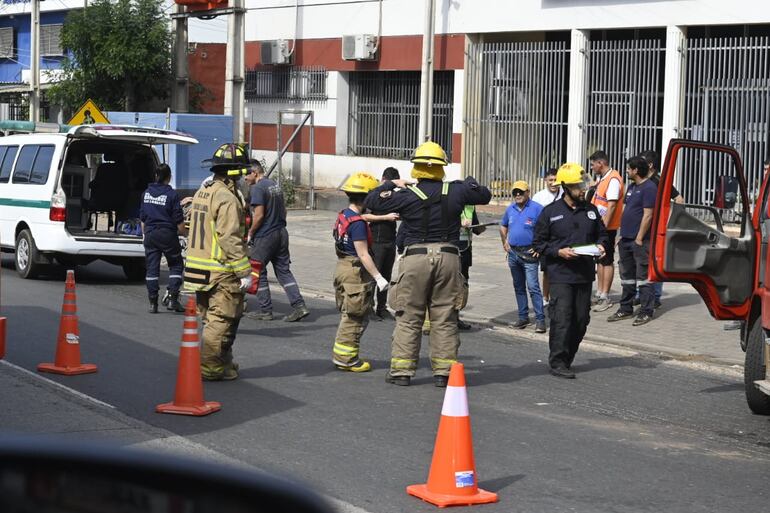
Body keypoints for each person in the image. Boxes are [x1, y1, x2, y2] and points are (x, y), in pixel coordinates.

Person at [365, 141, 491, 387]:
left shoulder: (406, 195)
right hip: (449, 257)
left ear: (417, 168)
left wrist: (391, 184)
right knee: (444, 316)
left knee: (409, 315)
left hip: (416, 258)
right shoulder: (456, 191)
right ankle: (444, 372)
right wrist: (469, 183)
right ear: (442, 167)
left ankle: (402, 372)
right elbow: (484, 195)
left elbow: (372, 201)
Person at [183, 143, 253, 381]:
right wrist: (244, 271)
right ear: (234, 174)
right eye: (242, 174)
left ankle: (224, 364)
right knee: (221, 320)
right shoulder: (226, 198)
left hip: (198, 269)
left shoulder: (204, 191)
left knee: (213, 319)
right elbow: (229, 237)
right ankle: (211, 367)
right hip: (220, 270)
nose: (244, 179)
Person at [533, 163, 608, 379]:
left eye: (583, 185)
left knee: (581, 320)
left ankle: (567, 358)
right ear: (566, 187)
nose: (582, 189)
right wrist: (558, 252)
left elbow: (603, 235)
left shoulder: (591, 210)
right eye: (577, 186)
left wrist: (602, 246)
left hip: (584, 275)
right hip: (560, 275)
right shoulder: (550, 212)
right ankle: (558, 361)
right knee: (562, 319)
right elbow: (538, 243)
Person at [331, 173, 391, 372]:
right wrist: (378, 277)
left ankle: (342, 356)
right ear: (366, 198)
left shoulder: (344, 215)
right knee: (355, 317)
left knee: (348, 314)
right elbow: (363, 254)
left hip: (342, 267)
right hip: (354, 272)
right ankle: (346, 360)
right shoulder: (357, 224)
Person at [244, 160, 309, 322]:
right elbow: (284, 211)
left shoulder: (258, 188)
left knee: (258, 270)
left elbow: (259, 215)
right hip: (281, 233)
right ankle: (299, 306)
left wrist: (251, 232)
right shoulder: (274, 185)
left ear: (254, 173)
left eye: (246, 174)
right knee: (283, 271)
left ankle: (266, 310)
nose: (244, 178)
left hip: (265, 236)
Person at [608, 156, 658, 327]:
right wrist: (621, 234)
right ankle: (625, 308)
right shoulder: (631, 187)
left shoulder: (649, 188)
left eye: (629, 168)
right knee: (627, 277)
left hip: (640, 242)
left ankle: (646, 311)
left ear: (636, 170)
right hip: (626, 239)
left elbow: (648, 215)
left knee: (643, 278)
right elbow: (625, 211)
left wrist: (639, 238)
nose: (627, 171)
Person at [139, 164, 186, 314]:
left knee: (152, 268)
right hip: (167, 234)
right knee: (176, 264)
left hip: (150, 234)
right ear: (169, 177)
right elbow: (179, 220)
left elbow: (142, 218)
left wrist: (145, 235)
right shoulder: (171, 195)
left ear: (156, 176)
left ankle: (153, 302)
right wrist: (185, 234)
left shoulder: (146, 193)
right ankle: (173, 299)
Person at [500, 180, 546, 333]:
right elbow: (503, 225)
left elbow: (546, 229)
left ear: (528, 192)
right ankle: (523, 317)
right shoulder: (510, 209)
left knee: (533, 287)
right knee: (518, 287)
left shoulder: (537, 209)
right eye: (515, 192)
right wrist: (504, 241)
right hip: (513, 254)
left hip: (529, 255)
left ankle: (540, 320)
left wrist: (539, 247)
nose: (518, 194)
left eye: (521, 192)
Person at [640, 150, 683, 309]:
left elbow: (679, 199)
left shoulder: (659, 181)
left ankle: (656, 296)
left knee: (655, 261)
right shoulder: (642, 181)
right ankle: (641, 294)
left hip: (655, 229)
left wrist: (670, 220)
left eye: (642, 162)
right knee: (642, 263)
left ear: (650, 165)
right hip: (643, 228)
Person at [589, 150, 624, 312]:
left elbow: (612, 205)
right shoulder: (603, 178)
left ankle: (605, 296)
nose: (592, 167)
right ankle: (599, 293)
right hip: (600, 226)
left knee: (607, 260)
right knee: (600, 260)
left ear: (600, 163)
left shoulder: (613, 179)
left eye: (593, 164)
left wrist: (603, 228)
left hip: (607, 228)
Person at [367, 167, 401, 320]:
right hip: (376, 241)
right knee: (374, 276)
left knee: (386, 276)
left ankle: (382, 307)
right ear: (383, 180)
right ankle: (368, 307)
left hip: (390, 240)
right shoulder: (373, 196)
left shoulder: (394, 196)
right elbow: (364, 216)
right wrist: (385, 217)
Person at [532, 168, 562, 305]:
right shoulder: (539, 197)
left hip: (561, 239)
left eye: (556, 180)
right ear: (545, 180)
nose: (553, 183)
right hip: (546, 240)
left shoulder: (565, 194)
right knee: (547, 270)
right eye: (550, 180)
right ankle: (545, 297)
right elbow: (534, 221)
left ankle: (560, 297)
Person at [457, 204, 485, 330]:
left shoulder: (470, 207)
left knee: (462, 285)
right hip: (451, 249)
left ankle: (456, 317)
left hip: (465, 250)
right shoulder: (448, 200)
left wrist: (480, 228)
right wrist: (459, 224)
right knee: (448, 285)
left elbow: (476, 228)